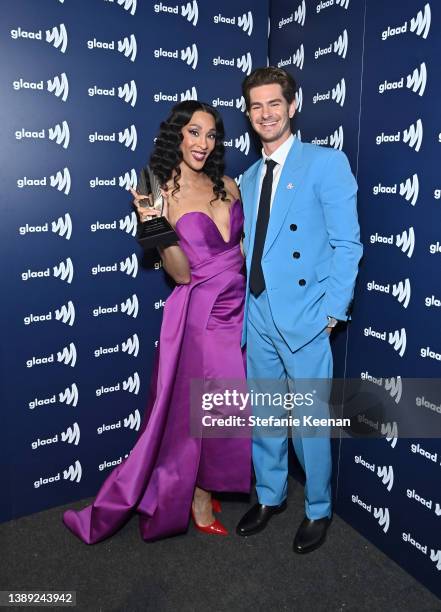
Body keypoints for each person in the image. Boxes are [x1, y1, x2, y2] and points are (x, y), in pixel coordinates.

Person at [63, 101, 251, 543]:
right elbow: (180, 273)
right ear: (177, 137)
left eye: (210, 135)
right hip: (202, 313)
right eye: (193, 133)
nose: (203, 143)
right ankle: (198, 496)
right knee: (214, 407)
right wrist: (152, 221)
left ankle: (205, 482)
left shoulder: (228, 185)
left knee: (220, 405)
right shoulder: (160, 192)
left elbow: (242, 248)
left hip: (243, 305)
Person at [236, 67, 363, 553]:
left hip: (307, 316)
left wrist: (332, 312)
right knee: (266, 414)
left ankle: (317, 508)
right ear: (248, 114)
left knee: (309, 423)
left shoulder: (325, 164)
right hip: (260, 311)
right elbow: (254, 244)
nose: (265, 114)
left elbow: (347, 245)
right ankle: (269, 496)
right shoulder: (249, 177)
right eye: (256, 106)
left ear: (293, 105)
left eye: (274, 103)